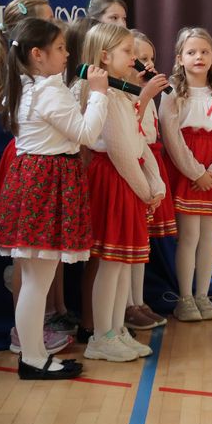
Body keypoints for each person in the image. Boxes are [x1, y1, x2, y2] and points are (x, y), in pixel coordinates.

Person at [0, 17, 108, 379]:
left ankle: (35, 354)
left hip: (32, 180)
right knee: (37, 282)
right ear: (37, 55)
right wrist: (99, 93)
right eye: (59, 48)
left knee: (33, 280)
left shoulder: (28, 87)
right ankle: (32, 359)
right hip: (46, 182)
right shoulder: (47, 91)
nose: (67, 53)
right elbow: (86, 133)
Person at [79, 23, 168, 361]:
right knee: (111, 264)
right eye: (127, 51)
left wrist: (154, 184)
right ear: (104, 56)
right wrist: (146, 190)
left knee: (121, 265)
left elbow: (139, 142)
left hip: (127, 180)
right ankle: (102, 336)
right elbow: (119, 151)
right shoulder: (106, 97)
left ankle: (116, 330)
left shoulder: (122, 94)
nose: (134, 58)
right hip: (113, 179)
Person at [159, 27, 212, 321]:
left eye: (205, 52)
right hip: (188, 171)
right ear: (179, 58)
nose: (198, 57)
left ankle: (203, 295)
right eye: (191, 52)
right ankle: (185, 298)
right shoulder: (172, 93)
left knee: (208, 236)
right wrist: (196, 173)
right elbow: (172, 137)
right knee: (189, 235)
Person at [124, 30, 174, 329]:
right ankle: (127, 305)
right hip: (132, 168)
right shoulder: (126, 93)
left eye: (151, 58)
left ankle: (139, 300)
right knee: (130, 242)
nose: (149, 64)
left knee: (142, 241)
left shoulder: (147, 93)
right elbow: (130, 129)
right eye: (142, 58)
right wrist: (145, 95)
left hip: (150, 164)